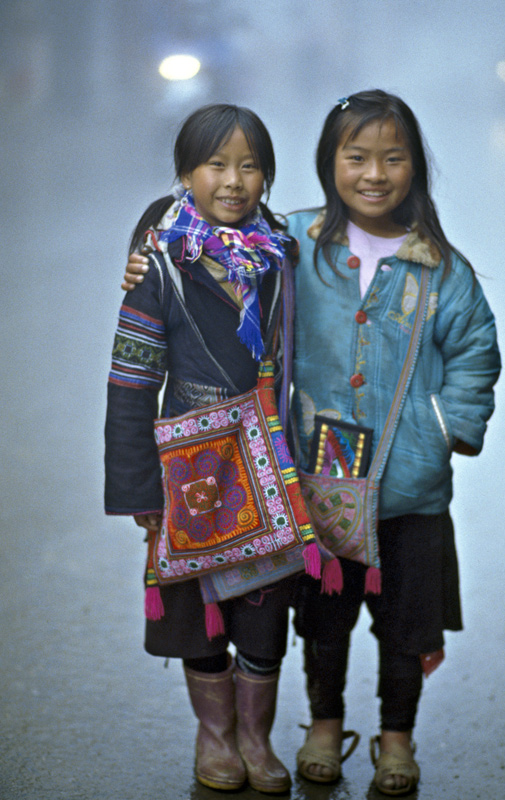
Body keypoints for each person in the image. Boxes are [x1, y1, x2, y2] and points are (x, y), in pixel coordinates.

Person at [122, 90, 501, 796]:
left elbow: (476, 350)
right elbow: (202, 222)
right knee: (323, 618)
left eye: (393, 158)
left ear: (415, 167)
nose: (374, 174)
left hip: (409, 484)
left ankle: (396, 739)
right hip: (315, 481)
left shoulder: (440, 269)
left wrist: (449, 428)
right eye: (356, 157)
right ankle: (322, 727)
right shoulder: (293, 242)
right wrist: (144, 251)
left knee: (404, 621)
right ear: (329, 165)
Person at [105, 103, 299, 795]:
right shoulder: (160, 263)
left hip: (268, 459)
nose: (233, 181)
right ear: (185, 174)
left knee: (265, 605)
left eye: (250, 166)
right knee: (197, 611)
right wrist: (137, 488)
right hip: (189, 468)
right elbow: (131, 379)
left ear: (267, 177)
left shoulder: (281, 255)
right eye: (216, 164)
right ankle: (215, 736)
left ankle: (255, 737)